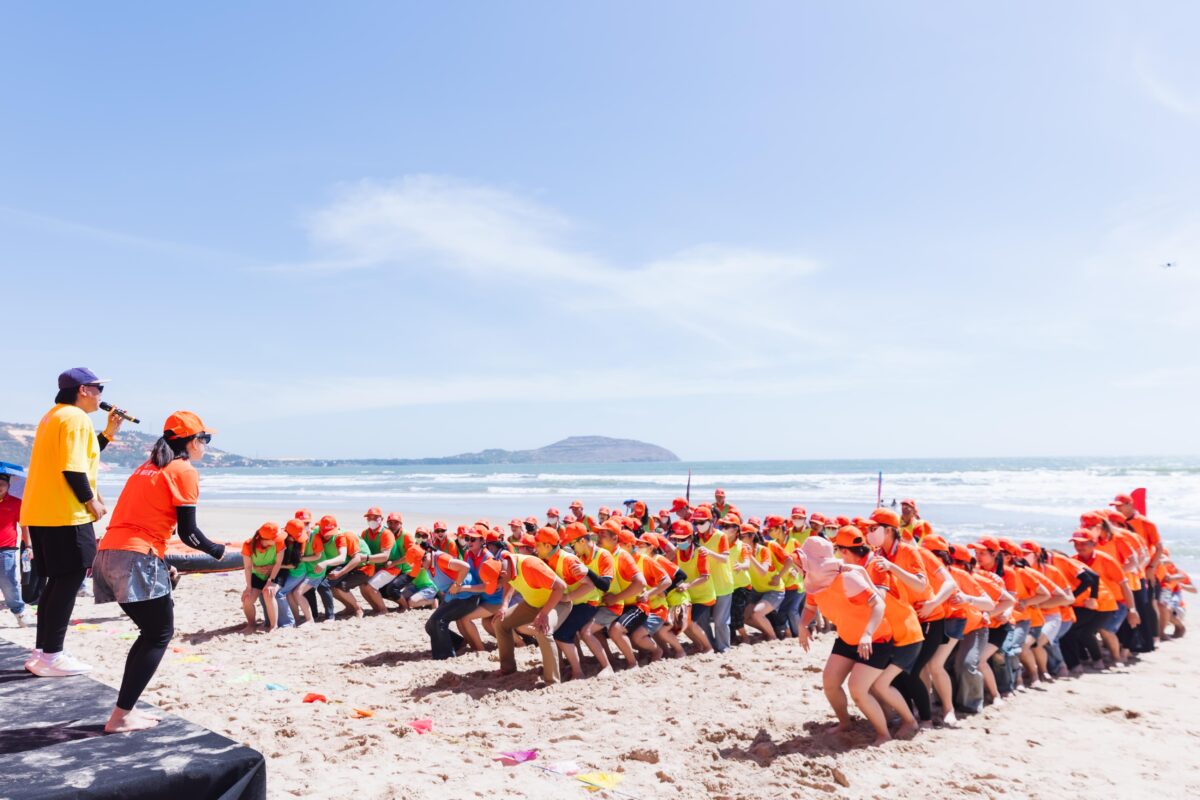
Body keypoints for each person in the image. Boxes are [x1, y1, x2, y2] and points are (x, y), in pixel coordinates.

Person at [91, 411, 225, 732]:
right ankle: (121, 716)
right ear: (190, 441)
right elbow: (189, 534)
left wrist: (162, 562)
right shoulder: (183, 470)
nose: (205, 445)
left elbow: (142, 520)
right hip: (136, 558)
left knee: (150, 633)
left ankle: (124, 711)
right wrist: (218, 552)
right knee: (159, 634)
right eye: (204, 439)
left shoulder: (146, 468)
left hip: (109, 554)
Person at [21, 367, 125, 676]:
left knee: (57, 582)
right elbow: (72, 468)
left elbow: (80, 455)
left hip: (42, 512)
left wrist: (108, 433)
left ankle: (43, 651)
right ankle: (52, 656)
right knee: (69, 580)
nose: (101, 395)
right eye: (98, 389)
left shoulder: (54, 416)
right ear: (84, 390)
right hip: (65, 514)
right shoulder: (76, 418)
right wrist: (90, 500)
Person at [797, 536, 895, 746]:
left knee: (857, 689)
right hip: (847, 638)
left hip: (876, 639)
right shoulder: (812, 581)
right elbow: (810, 607)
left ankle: (884, 734)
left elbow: (879, 605)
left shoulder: (847, 579)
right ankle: (845, 723)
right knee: (830, 683)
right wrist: (802, 624)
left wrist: (867, 633)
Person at [484, 551, 569, 685]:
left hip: (557, 603)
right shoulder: (507, 567)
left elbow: (561, 587)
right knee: (500, 622)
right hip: (532, 603)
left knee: (542, 630)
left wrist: (544, 614)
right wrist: (504, 605)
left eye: (497, 583)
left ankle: (552, 681)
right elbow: (509, 583)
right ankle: (508, 669)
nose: (497, 587)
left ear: (503, 574)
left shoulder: (530, 566)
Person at [1111, 493, 1162, 653]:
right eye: (1116, 506)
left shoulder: (1146, 523)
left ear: (1130, 505)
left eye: (1120, 505)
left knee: (1147, 604)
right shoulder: (1115, 523)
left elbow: (1158, 547)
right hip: (1128, 571)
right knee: (1131, 606)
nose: (1118, 508)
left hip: (1143, 570)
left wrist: (1151, 567)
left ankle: (1154, 637)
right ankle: (1128, 642)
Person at [0, 473, 35, 626]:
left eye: (2, 484)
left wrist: (28, 546)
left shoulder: (16, 503)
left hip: (6, 551)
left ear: (8, 486)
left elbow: (24, 526)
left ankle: (19, 612)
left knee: (8, 583)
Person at [240, 522, 287, 632]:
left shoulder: (279, 542)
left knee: (268, 592)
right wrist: (248, 587)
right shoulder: (248, 545)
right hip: (258, 574)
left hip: (276, 573)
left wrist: (270, 581)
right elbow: (248, 567)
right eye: (276, 537)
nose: (280, 539)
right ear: (266, 539)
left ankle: (273, 626)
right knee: (247, 599)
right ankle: (251, 625)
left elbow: (278, 563)